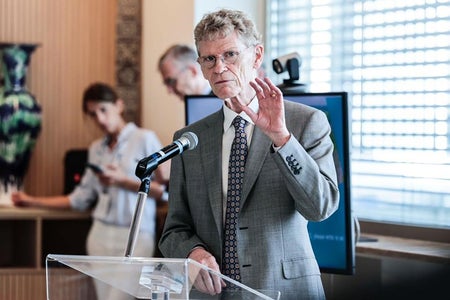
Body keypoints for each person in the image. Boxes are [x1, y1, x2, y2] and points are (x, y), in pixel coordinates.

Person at [158, 9, 340, 300]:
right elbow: (174, 230)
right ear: (201, 67)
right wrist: (193, 252)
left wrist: (281, 137)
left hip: (286, 291)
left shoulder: (306, 122)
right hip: (215, 294)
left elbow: (321, 208)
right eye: (209, 59)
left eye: (230, 54)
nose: (219, 68)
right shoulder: (190, 139)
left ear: (256, 56)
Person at [12, 82, 170, 300]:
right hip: (100, 235)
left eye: (103, 110)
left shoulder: (145, 138)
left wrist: (122, 181)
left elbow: (164, 192)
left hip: (135, 235)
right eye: (93, 114)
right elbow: (79, 198)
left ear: (119, 105)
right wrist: (31, 201)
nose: (100, 120)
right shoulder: (96, 149)